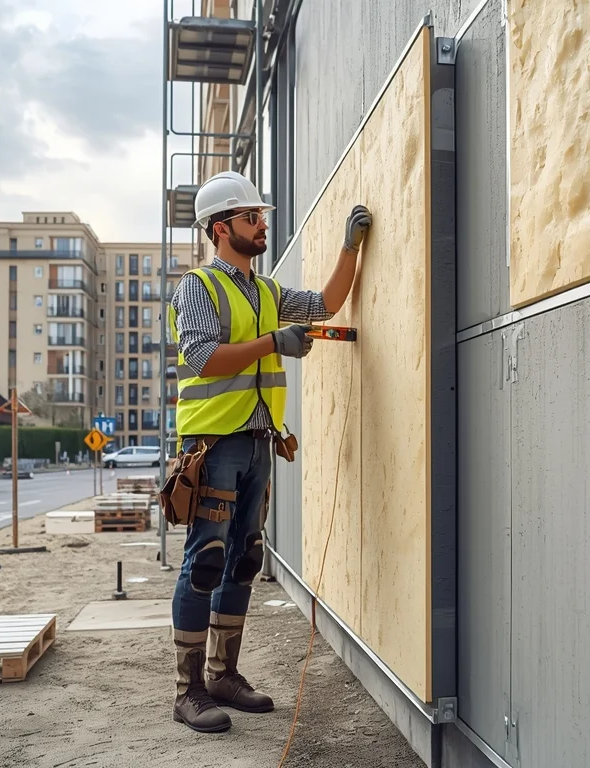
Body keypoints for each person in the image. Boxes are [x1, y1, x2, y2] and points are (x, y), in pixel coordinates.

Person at [167, 170, 372, 733]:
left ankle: (223, 675)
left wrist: (349, 248)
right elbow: (204, 357)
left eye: (261, 216)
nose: (261, 225)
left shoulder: (267, 291)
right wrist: (273, 343)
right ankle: (188, 692)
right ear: (219, 227)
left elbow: (325, 304)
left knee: (245, 558)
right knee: (204, 560)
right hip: (213, 443)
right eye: (251, 217)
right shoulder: (198, 288)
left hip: (259, 440)